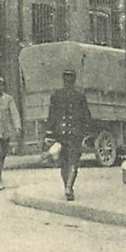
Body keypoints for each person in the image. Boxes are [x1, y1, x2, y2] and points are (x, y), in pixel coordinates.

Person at [46, 68, 92, 201]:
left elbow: (51, 116)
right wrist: (86, 131)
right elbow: (86, 116)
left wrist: (49, 133)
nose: (68, 80)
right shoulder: (78, 95)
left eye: (69, 78)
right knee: (70, 162)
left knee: (67, 162)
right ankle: (68, 187)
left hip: (65, 134)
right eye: (67, 78)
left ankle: (68, 187)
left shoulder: (58, 95)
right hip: (71, 134)